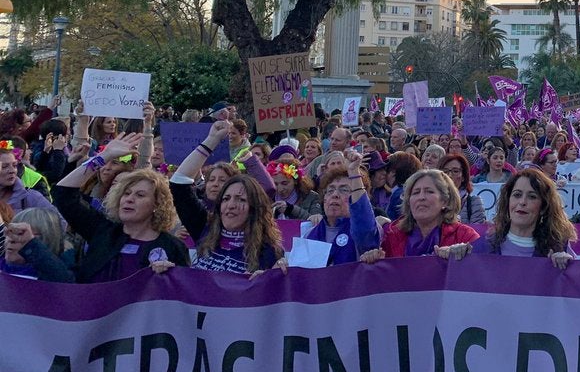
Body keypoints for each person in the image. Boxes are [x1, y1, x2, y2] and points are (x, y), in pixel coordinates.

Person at [170, 119, 283, 274]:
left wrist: (268, 281)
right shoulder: (205, 229)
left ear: (254, 208)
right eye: (226, 198)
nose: (231, 205)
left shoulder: (270, 252)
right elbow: (179, 183)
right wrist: (212, 140)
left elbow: (269, 188)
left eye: (241, 199)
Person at [54, 161, 189, 283]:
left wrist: (170, 277)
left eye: (140, 195)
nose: (129, 199)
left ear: (157, 204)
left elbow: (183, 296)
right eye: (126, 193)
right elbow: (63, 195)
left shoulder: (173, 247)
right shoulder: (101, 230)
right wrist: (103, 157)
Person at [470, 169, 574, 265]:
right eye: (517, 195)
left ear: (543, 207)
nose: (522, 202)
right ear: (508, 201)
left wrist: (570, 267)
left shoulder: (559, 248)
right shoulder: (482, 246)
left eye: (532, 197)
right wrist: (457, 256)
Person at [380, 170, 479, 259]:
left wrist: (465, 254)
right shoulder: (392, 236)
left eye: (429, 192)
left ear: (445, 201)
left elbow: (481, 270)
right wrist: (373, 258)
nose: (421, 197)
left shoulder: (465, 236)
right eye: (415, 193)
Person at [302, 161, 383, 265]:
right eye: (330, 190)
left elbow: (364, 227)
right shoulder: (309, 233)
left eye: (344, 190)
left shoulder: (366, 230)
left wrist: (354, 172)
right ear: (324, 198)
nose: (335, 195)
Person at [1, 208, 75, 282]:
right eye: (10, 232)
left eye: (20, 234)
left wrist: (31, 245)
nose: (11, 240)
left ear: (46, 240)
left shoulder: (54, 274)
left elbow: (64, 282)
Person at [0, 143, 60, 216]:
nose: (12, 170)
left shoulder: (32, 197)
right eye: (4, 166)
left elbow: (58, 222)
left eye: (14, 165)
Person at [441, 153, 486, 224]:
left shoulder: (473, 203)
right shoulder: (432, 201)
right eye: (445, 172)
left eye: (455, 171)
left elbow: (477, 232)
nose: (449, 175)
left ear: (463, 177)